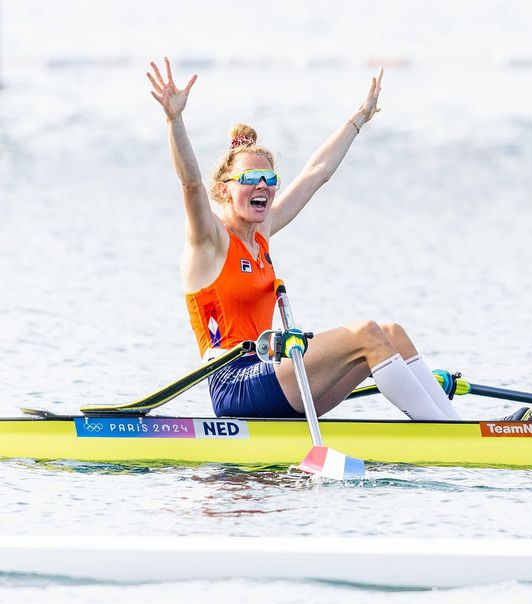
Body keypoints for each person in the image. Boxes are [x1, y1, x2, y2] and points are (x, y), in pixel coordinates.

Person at [147, 57, 464, 422]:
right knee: (366, 332)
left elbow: (317, 172)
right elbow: (189, 183)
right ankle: (449, 435)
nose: (262, 186)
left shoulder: (260, 235)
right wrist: (174, 119)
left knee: (392, 333)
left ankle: (454, 426)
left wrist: (358, 119)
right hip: (234, 384)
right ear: (224, 189)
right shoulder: (209, 240)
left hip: (270, 373)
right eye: (250, 179)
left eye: (269, 179)